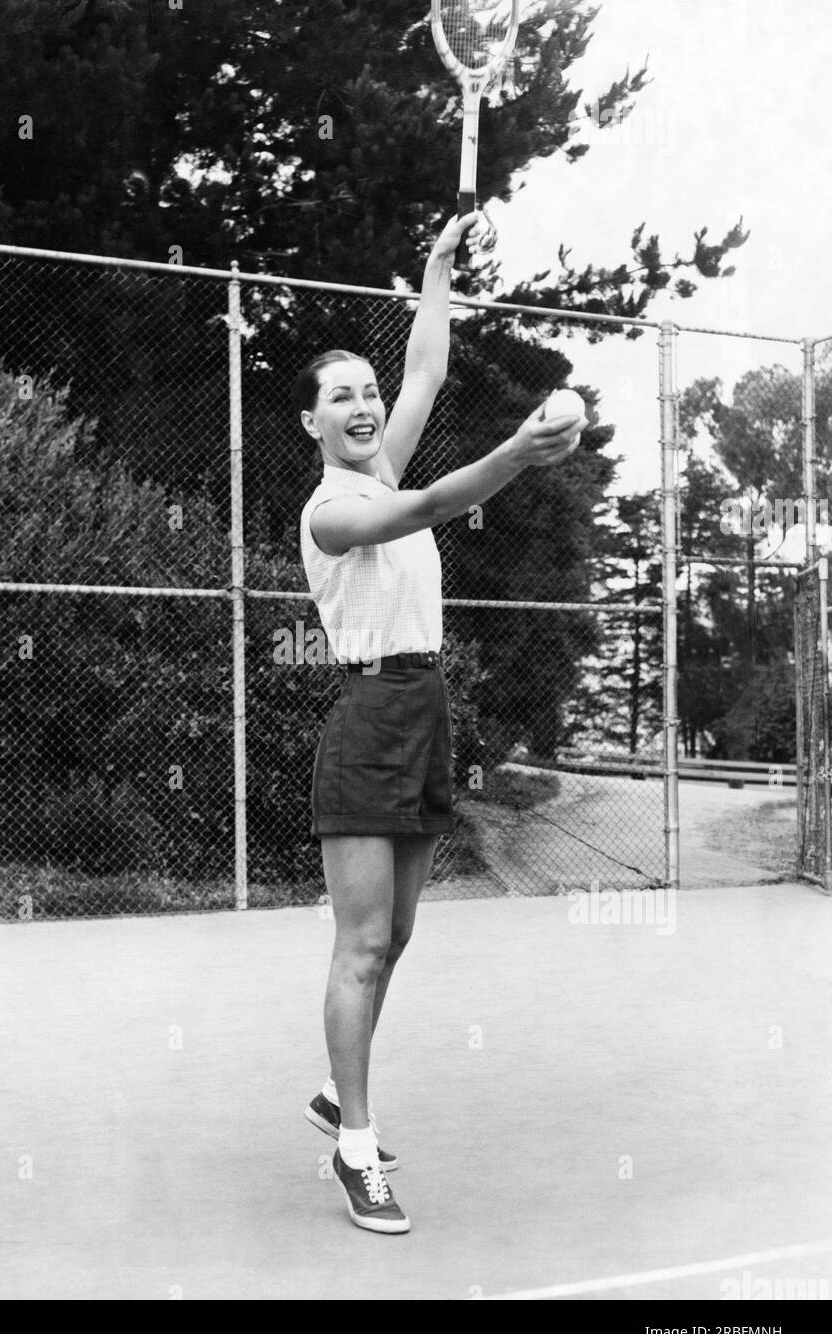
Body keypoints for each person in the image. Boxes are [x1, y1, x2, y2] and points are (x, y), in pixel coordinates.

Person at [296, 211, 583, 1233]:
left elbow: (422, 368)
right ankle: (355, 1147)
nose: (366, 406)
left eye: (365, 394)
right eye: (342, 398)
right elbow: (421, 514)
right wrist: (516, 452)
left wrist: (433, 267)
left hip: (425, 710)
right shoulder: (334, 509)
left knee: (400, 933)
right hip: (369, 718)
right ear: (314, 425)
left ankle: (340, 1086)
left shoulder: (380, 456)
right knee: (362, 943)